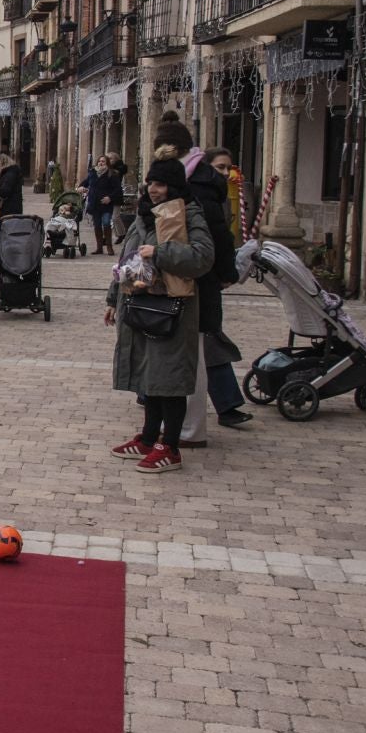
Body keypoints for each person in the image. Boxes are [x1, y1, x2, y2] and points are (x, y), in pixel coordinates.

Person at [105, 157, 215, 472]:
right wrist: (113, 298)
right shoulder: (144, 215)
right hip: (139, 304)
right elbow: (125, 260)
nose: (154, 190)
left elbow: (202, 257)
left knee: (168, 378)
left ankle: (170, 447)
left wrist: (161, 253)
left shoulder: (188, 214)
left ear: (175, 186)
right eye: (151, 183)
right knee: (148, 377)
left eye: (161, 184)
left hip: (172, 309)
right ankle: (148, 437)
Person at [153, 117, 250, 432]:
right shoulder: (194, 178)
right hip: (184, 277)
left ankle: (190, 427)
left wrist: (225, 271)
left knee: (194, 347)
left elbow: (214, 237)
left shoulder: (195, 186)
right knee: (194, 343)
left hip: (193, 279)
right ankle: (217, 407)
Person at [79, 154, 122, 256]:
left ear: (107, 163)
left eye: (103, 161)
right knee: (97, 225)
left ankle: (109, 247)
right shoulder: (92, 173)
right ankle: (99, 248)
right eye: (99, 161)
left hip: (106, 204)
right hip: (94, 203)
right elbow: (84, 183)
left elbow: (117, 190)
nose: (101, 163)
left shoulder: (111, 174)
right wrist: (80, 188)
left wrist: (109, 198)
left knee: (106, 222)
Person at [0, 153, 24, 218]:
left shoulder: (10, 174)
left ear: (3, 164)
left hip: (10, 209)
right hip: (12, 207)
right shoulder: (9, 173)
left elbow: (5, 191)